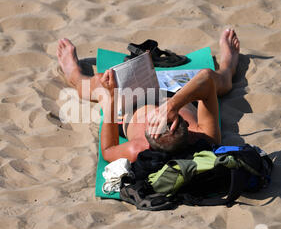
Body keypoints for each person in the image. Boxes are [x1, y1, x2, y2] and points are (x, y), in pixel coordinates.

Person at [57, 29, 240, 163]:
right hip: (173, 94)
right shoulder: (203, 137)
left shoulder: (137, 148)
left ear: (147, 137)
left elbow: (108, 150)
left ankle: (73, 73)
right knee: (220, 83)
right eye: (175, 120)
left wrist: (111, 99)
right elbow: (206, 78)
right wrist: (172, 106)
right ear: (187, 130)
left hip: (129, 107)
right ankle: (228, 65)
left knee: (98, 84)